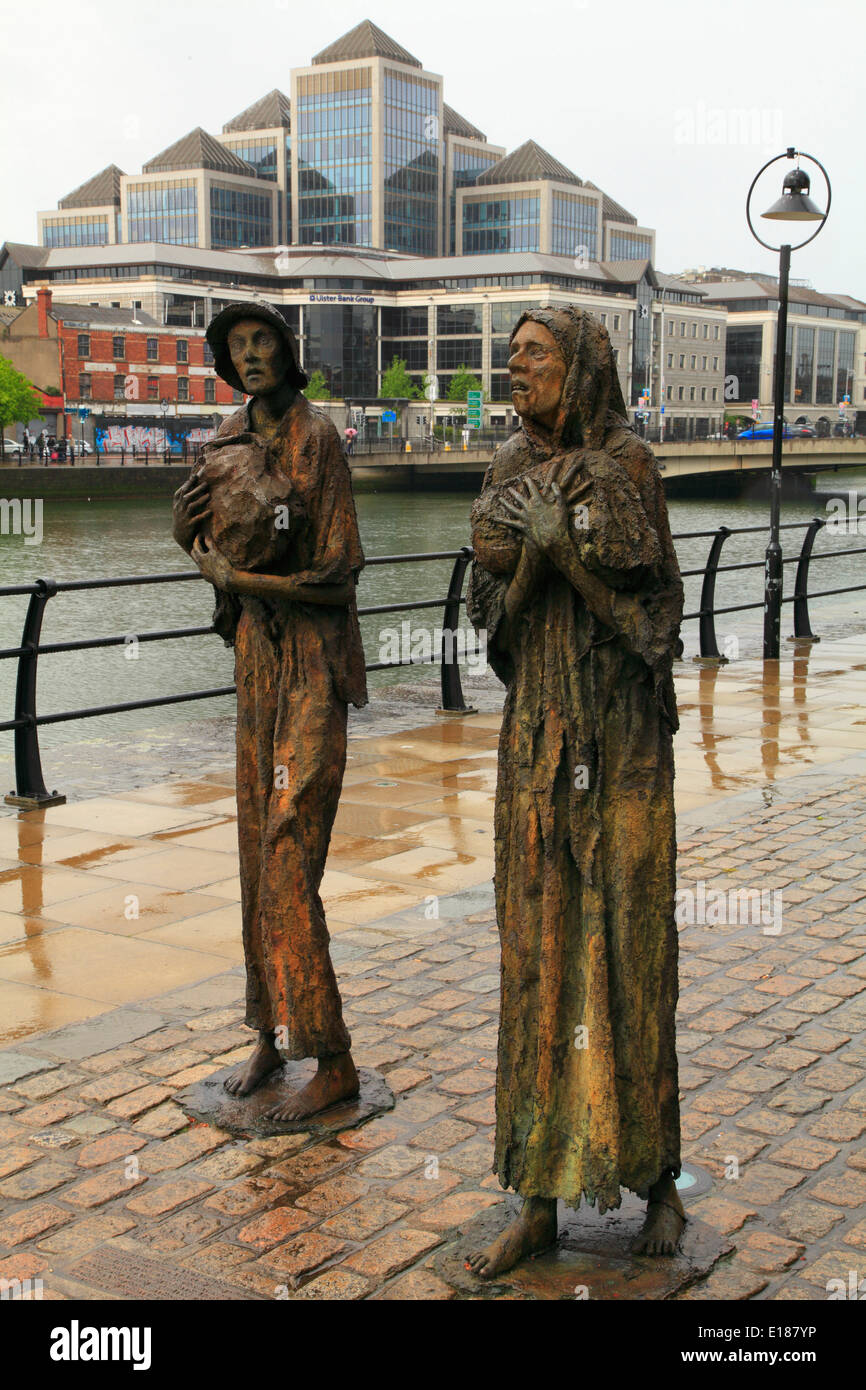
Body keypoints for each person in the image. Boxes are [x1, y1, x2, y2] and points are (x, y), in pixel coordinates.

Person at [465, 306, 685, 1278]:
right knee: (536, 958)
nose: (516, 370)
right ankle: (536, 1195)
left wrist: (566, 557)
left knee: (631, 955)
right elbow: (495, 635)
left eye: (534, 356)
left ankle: (657, 1180)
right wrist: (529, 568)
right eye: (509, 358)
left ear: (580, 366)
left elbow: (653, 629)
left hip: (623, 749)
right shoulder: (504, 473)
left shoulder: (629, 466)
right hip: (538, 744)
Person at [172, 302, 367, 1123]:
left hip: (312, 667)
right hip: (259, 662)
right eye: (237, 346)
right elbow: (216, 544)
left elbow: (338, 573)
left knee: (289, 853)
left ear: (289, 353)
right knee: (257, 850)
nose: (250, 356)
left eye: (262, 343)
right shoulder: (224, 436)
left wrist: (240, 583)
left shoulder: (316, 439)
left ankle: (334, 1057)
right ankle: (270, 1030)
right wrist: (191, 542)